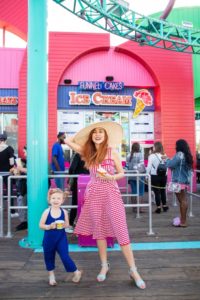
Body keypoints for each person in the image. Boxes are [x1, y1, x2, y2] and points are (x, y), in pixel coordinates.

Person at [65, 121, 146, 289]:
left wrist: (111, 177)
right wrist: (83, 132)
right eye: (94, 132)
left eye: (101, 131)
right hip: (94, 194)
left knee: (121, 231)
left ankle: (133, 270)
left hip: (111, 193)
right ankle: (104, 265)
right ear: (91, 136)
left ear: (106, 135)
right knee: (99, 231)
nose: (98, 134)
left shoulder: (112, 152)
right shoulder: (87, 152)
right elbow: (68, 141)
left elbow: (122, 173)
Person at [39, 188, 82, 286]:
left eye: (58, 198)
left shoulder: (64, 212)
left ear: (62, 200)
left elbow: (67, 224)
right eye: (53, 198)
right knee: (48, 256)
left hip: (61, 238)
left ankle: (76, 271)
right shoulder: (46, 212)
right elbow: (40, 225)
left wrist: (64, 225)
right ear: (49, 199)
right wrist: (49, 226)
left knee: (65, 256)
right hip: (49, 239)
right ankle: (51, 275)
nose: (56, 200)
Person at [165, 139, 193, 227]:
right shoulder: (186, 155)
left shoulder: (179, 154)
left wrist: (166, 159)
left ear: (179, 146)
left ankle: (183, 221)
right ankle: (183, 220)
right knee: (183, 201)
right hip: (184, 181)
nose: (175, 147)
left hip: (178, 181)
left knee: (182, 201)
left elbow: (170, 165)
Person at [66, 152, 89, 233]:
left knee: (75, 202)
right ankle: (83, 224)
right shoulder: (92, 153)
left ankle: (70, 224)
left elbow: (72, 168)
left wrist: (69, 179)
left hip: (78, 181)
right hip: (89, 181)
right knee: (86, 204)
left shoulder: (78, 154)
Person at [146, 141, 168, 213]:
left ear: (155, 147)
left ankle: (158, 208)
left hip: (155, 176)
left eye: (154, 146)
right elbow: (166, 166)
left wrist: (146, 175)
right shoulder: (164, 155)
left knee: (156, 192)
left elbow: (149, 167)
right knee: (163, 191)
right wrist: (166, 174)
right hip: (164, 176)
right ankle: (164, 206)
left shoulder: (151, 156)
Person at [0, 133, 17, 216]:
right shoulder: (9, 148)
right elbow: (12, 162)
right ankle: (12, 212)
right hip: (7, 173)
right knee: (9, 192)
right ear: (5, 140)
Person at [126, 142, 145, 211]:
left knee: (133, 192)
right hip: (140, 176)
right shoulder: (140, 155)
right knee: (140, 192)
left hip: (131, 176)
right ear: (139, 148)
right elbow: (142, 166)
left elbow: (127, 166)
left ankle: (134, 208)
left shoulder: (128, 155)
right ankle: (139, 208)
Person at [13, 146, 28, 231]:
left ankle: (25, 222)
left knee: (22, 202)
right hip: (23, 188)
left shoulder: (31, 161)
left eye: (25, 152)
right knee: (21, 203)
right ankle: (24, 222)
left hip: (26, 188)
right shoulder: (27, 161)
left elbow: (31, 170)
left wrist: (20, 168)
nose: (24, 154)